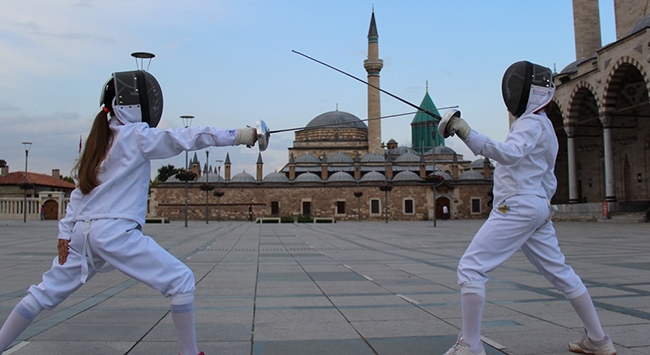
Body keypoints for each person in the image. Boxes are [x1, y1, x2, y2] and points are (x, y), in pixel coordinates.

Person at [0, 69, 258, 355]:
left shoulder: (97, 140)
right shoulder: (137, 135)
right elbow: (187, 137)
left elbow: (79, 191)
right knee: (181, 280)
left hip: (81, 236)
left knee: (42, 294)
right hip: (113, 232)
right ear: (137, 104)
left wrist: (64, 233)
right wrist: (241, 135)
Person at [438, 61, 616, 355]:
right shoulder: (542, 125)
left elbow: (508, 154)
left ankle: (470, 345)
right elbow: (543, 174)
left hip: (518, 207)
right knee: (562, 273)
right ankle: (598, 339)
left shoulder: (531, 123)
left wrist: (466, 131)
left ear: (529, 92)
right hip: (536, 208)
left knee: (471, 268)